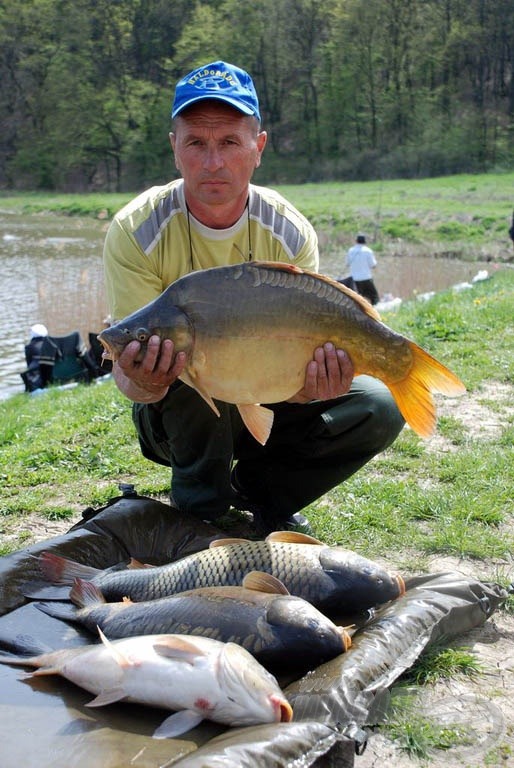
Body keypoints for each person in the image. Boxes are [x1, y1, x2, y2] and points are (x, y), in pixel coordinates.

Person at [103, 60, 405, 535]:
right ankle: (201, 512)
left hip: (274, 392)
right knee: (192, 360)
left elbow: (300, 370)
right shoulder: (135, 230)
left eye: (229, 142)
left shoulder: (289, 232)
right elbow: (129, 378)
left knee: (379, 404)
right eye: (196, 143)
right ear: (174, 148)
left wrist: (312, 385)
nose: (212, 162)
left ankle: (262, 496)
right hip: (175, 416)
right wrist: (145, 381)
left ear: (257, 147)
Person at [346, 233, 380, 305]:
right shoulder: (368, 251)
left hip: (354, 279)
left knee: (357, 300)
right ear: (365, 242)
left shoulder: (350, 251)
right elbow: (373, 265)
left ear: (356, 241)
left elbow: (347, 264)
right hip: (366, 278)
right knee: (374, 298)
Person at [21, 323, 50, 392]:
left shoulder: (29, 347)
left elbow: (29, 365)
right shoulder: (51, 343)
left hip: (40, 380)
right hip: (53, 376)